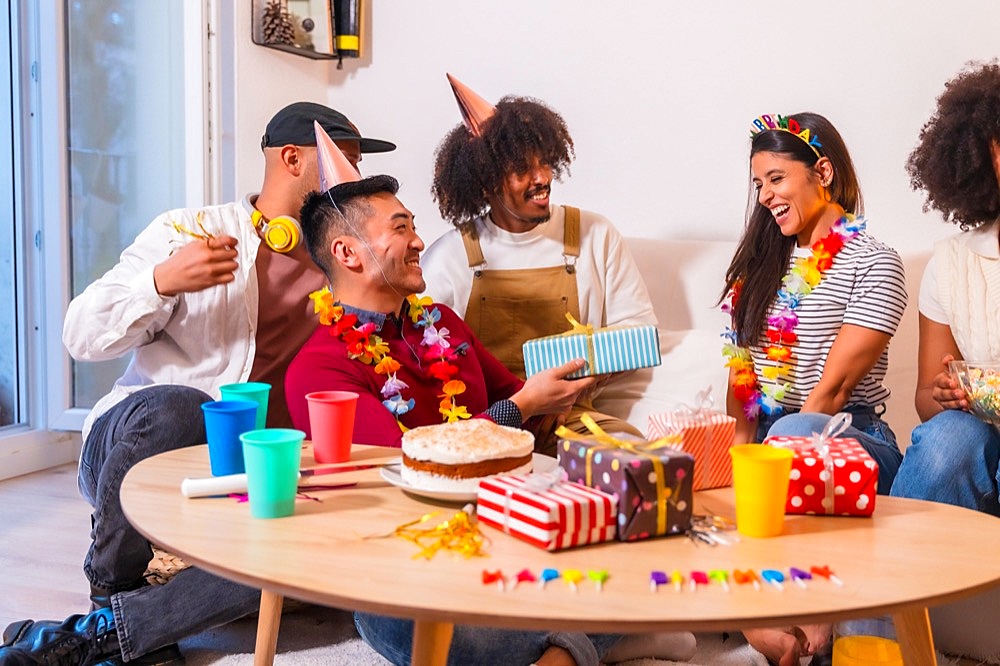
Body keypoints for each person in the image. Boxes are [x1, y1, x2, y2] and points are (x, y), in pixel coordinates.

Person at [0, 102, 395, 665]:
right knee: (180, 407)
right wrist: (161, 281)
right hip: (139, 450)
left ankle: (106, 636)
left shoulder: (344, 262)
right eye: (345, 164)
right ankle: (111, 585)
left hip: (248, 474)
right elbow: (80, 335)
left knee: (289, 557)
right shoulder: (188, 232)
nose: (355, 181)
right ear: (291, 159)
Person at [284, 134, 698, 666]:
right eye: (402, 229)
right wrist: (523, 406)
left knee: (639, 501)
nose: (418, 242)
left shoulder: (443, 324)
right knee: (381, 615)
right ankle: (589, 641)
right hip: (421, 550)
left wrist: (557, 397)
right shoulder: (318, 368)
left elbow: (512, 396)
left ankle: (573, 642)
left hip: (515, 514)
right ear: (348, 254)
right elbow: (412, 467)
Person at [719, 112, 908, 666]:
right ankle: (768, 620)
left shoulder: (875, 262)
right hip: (775, 450)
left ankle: (823, 613)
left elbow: (829, 395)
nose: (765, 196)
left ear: (821, 171)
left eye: (776, 178)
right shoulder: (754, 273)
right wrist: (734, 486)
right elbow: (742, 400)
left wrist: (771, 464)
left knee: (796, 430)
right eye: (758, 184)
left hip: (855, 442)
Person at [419, 75, 657, 453]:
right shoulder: (450, 256)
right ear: (485, 184)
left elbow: (639, 333)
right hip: (488, 426)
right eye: (522, 170)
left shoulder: (594, 234)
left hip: (572, 417)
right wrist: (520, 405)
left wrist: (576, 386)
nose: (542, 178)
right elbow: (424, 353)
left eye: (545, 162)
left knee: (635, 459)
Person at [890, 61, 1000, 515]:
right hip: (980, 445)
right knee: (948, 436)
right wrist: (947, 397)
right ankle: (904, 581)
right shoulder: (953, 264)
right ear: (989, 153)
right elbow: (923, 399)